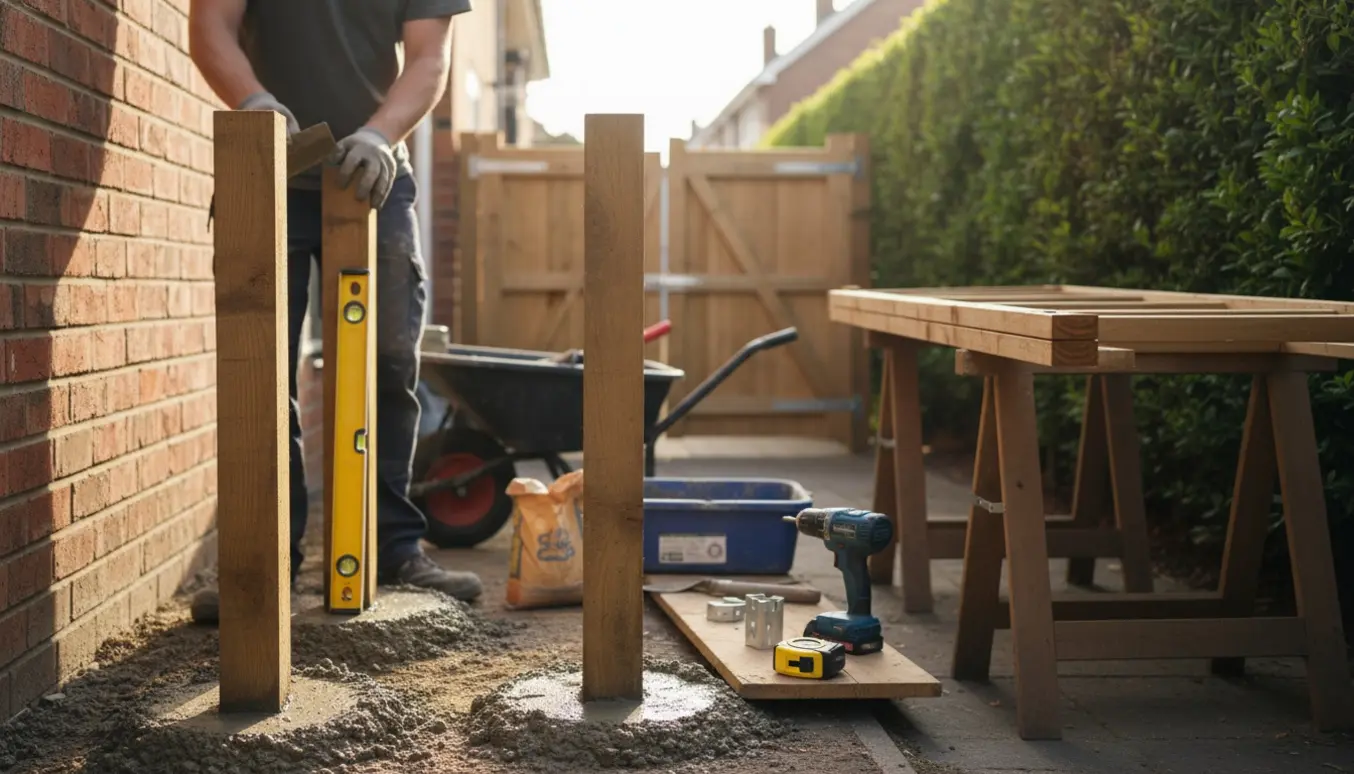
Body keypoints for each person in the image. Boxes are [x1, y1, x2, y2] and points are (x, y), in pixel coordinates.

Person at [187, 0, 482, 623]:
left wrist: (380, 134)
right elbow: (211, 27)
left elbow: (429, 58)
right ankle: (265, 563)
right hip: (268, 170)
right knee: (261, 369)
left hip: (373, 171)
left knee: (390, 362)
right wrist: (255, 104)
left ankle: (394, 549)